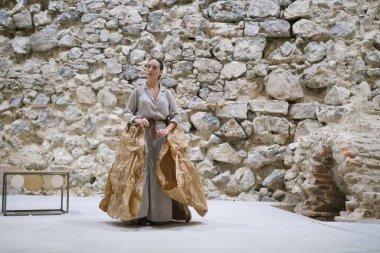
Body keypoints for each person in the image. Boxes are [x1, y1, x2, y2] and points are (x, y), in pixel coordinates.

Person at [99, 58, 208, 226]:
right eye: (148, 66)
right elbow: (127, 112)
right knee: (142, 172)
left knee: (160, 172)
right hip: (141, 136)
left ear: (160, 72)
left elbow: (176, 115)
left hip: (160, 135)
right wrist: (136, 119)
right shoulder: (138, 91)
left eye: (154, 67)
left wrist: (167, 129)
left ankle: (159, 215)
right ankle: (139, 213)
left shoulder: (167, 93)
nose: (150, 69)